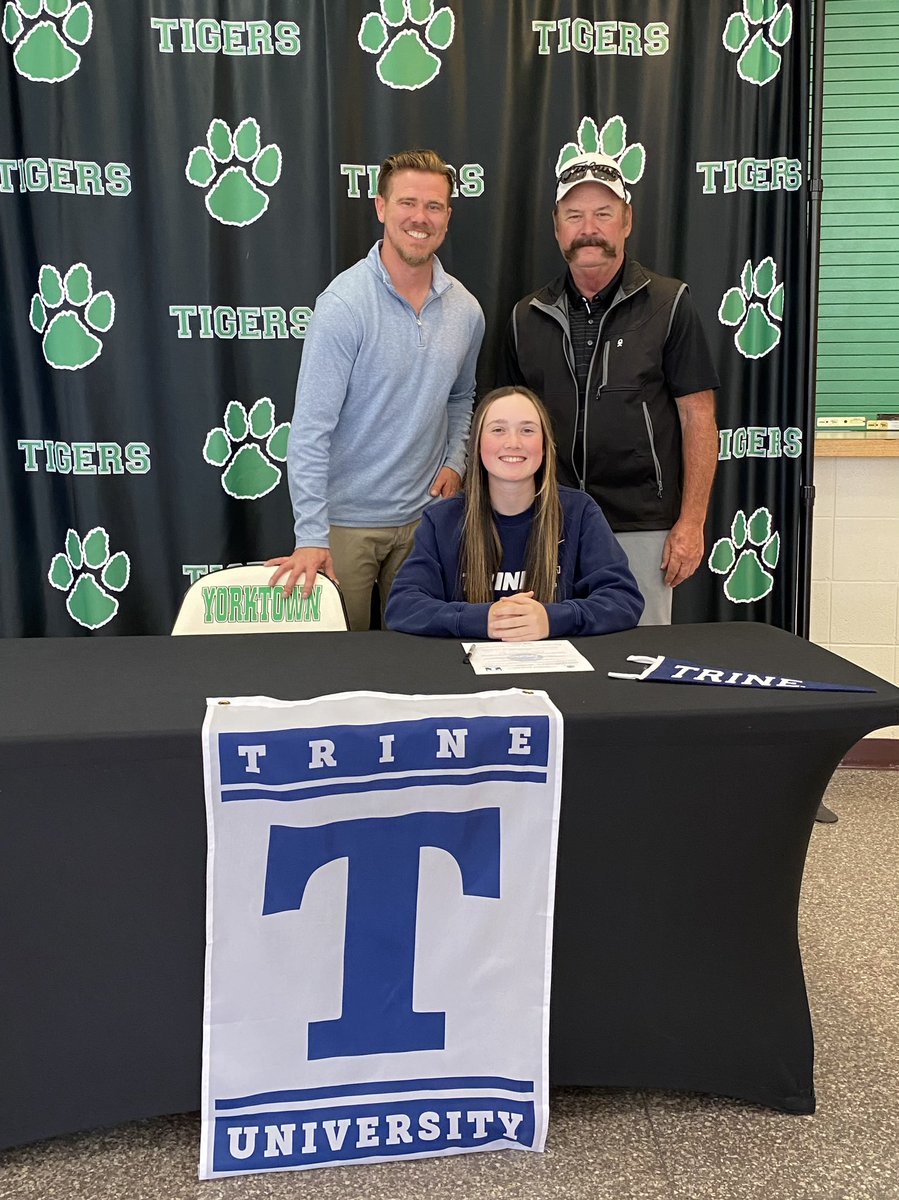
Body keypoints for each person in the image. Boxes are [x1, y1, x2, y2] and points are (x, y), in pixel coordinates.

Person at [267, 149, 485, 630]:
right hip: (345, 526)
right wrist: (311, 536)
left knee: (414, 665)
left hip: (427, 522)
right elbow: (309, 430)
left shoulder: (467, 311)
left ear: (448, 215)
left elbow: (461, 397)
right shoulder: (343, 305)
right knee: (344, 669)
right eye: (408, 203)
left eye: (434, 206)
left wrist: (454, 461)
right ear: (381, 207)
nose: (420, 218)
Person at [498, 152, 719, 625]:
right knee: (552, 658)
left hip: (642, 525)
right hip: (549, 523)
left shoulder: (669, 304)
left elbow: (698, 418)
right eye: (574, 216)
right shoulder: (525, 316)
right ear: (557, 228)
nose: (588, 228)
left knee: (638, 666)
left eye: (603, 214)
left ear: (627, 221)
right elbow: (507, 432)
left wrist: (691, 522)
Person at [385, 386, 643, 638]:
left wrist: (552, 619)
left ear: (544, 445)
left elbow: (623, 599)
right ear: (477, 444)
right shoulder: (442, 520)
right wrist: (481, 619)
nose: (513, 442)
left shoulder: (580, 512)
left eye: (527, 430)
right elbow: (403, 606)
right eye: (498, 430)